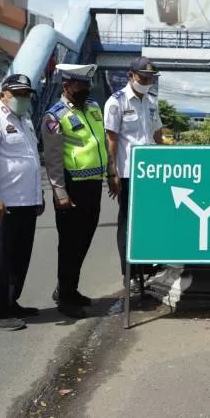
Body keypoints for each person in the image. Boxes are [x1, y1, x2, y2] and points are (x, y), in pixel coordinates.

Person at [0, 73, 44, 331]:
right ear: (4, 94)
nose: (23, 98)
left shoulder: (25, 121)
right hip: (1, 204)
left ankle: (11, 301)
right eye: (18, 93)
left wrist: (38, 196)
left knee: (19, 257)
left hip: (26, 202)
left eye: (27, 94)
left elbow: (31, 161)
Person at [41, 63, 109, 319]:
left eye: (87, 85)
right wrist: (60, 193)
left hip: (94, 184)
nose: (85, 89)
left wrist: (110, 172)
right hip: (72, 188)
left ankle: (69, 289)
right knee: (69, 246)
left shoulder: (93, 108)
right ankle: (66, 299)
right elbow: (53, 159)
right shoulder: (54, 116)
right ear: (67, 86)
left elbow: (101, 142)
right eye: (80, 85)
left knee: (84, 241)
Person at [104, 56, 165, 294]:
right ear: (131, 76)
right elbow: (111, 139)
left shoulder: (151, 102)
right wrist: (113, 172)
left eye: (151, 78)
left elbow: (157, 135)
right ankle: (128, 273)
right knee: (128, 223)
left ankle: (147, 267)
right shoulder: (116, 102)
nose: (147, 81)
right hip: (129, 173)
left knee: (149, 221)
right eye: (143, 78)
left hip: (152, 174)